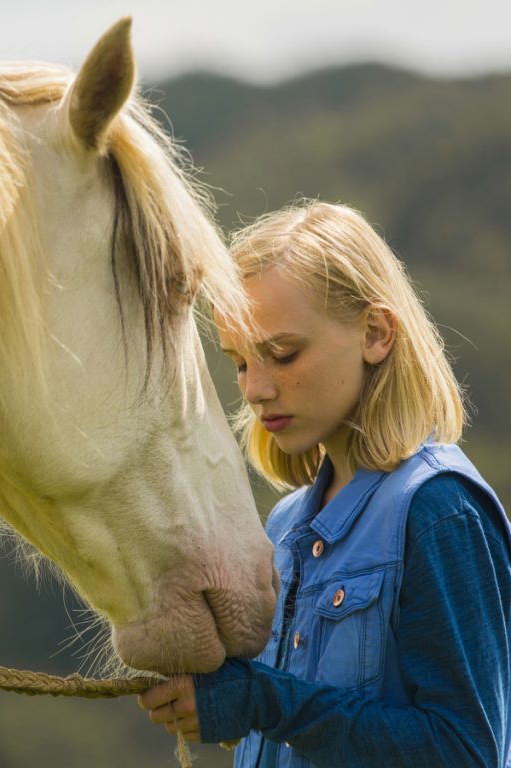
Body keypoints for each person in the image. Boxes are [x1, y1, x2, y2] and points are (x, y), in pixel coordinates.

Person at [138, 200, 511, 767]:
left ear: (376, 333)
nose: (256, 389)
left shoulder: (439, 510)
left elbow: (466, 752)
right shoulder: (284, 526)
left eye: (281, 354)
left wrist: (266, 701)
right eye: (239, 363)